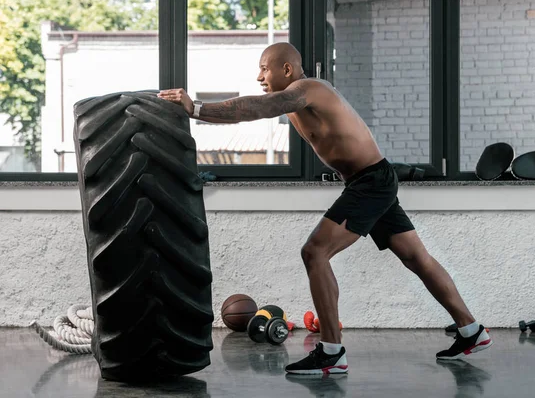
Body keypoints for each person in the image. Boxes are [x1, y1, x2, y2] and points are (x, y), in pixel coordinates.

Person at [158, 42, 493, 375]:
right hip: (371, 179)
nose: (258, 75)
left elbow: (256, 108)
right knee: (416, 257)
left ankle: (331, 351)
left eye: (264, 67)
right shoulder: (295, 99)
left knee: (314, 252)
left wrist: (196, 108)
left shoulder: (308, 89)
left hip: (370, 181)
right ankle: (470, 330)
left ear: (286, 69)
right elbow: (268, 108)